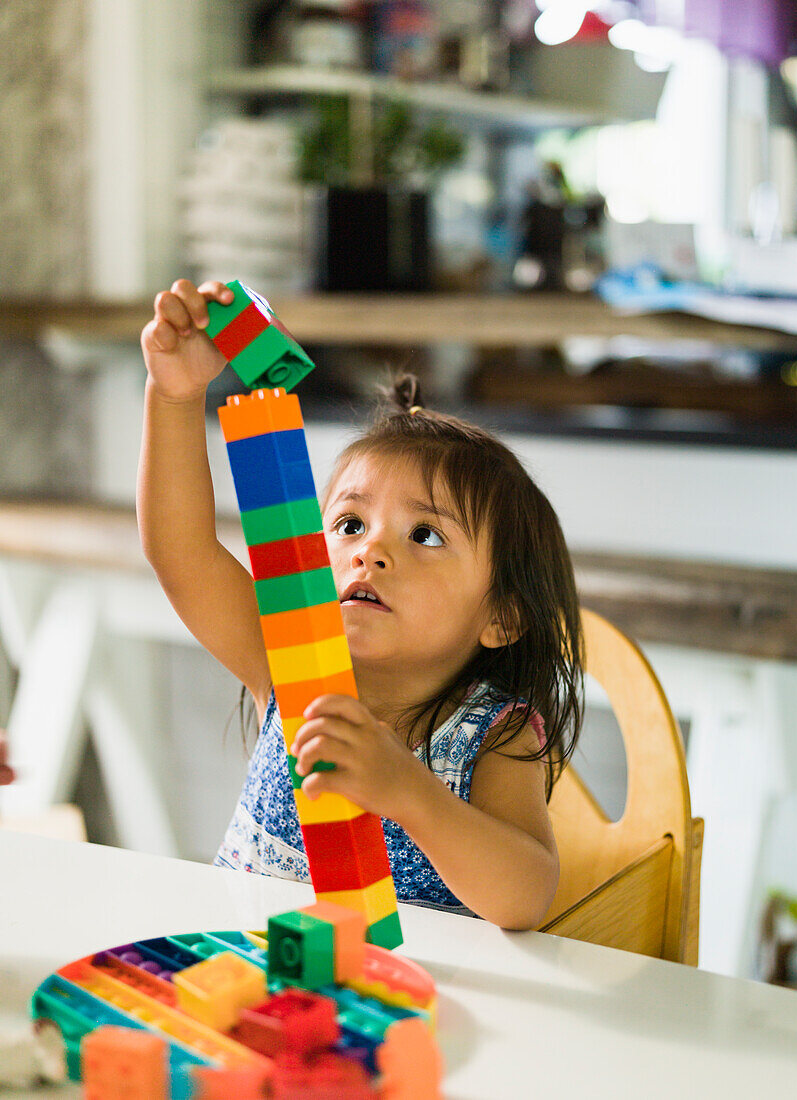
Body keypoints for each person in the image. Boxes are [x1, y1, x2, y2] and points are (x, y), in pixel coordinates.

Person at [138, 279, 583, 931]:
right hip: (247, 981)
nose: (370, 552)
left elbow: (524, 897)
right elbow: (178, 551)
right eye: (348, 525)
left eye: (424, 535)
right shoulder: (285, 666)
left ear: (502, 617)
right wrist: (175, 395)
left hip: (398, 1007)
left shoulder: (493, 732)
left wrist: (408, 791)